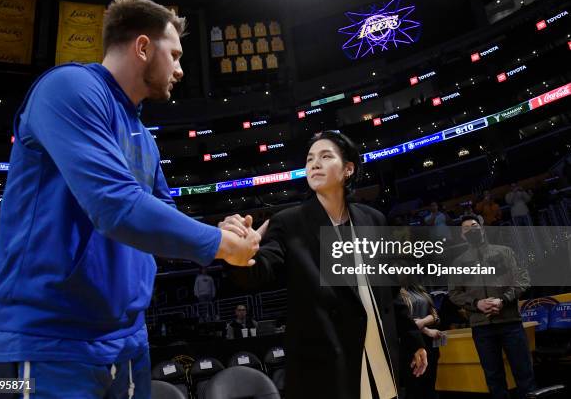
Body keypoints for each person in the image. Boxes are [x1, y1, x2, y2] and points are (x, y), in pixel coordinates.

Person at [0, 0, 260, 399]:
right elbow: (115, 205)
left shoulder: (141, 135)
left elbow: (161, 211)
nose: (181, 70)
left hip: (128, 340)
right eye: (176, 55)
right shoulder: (69, 88)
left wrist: (218, 230)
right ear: (143, 47)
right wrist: (222, 246)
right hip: (47, 345)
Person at [225, 131, 427, 399]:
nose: (314, 164)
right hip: (326, 361)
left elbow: (388, 290)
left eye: (325, 156)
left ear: (348, 169)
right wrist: (237, 255)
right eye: (310, 159)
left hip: (378, 349)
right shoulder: (289, 222)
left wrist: (412, 337)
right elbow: (258, 273)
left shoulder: (373, 219)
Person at [448, 215, 536, 399]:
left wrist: (503, 300)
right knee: (494, 379)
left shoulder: (505, 252)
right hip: (482, 328)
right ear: (462, 236)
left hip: (510, 322)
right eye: (466, 229)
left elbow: (523, 279)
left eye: (474, 225)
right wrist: (476, 304)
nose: (471, 230)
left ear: (482, 228)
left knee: (524, 374)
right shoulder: (458, 263)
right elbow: (454, 294)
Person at [399, 285, 442, 399]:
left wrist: (423, 322)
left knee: (430, 384)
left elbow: (435, 315)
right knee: (414, 386)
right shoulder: (396, 292)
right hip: (410, 342)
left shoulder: (419, 288)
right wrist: (426, 330)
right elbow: (402, 321)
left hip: (429, 342)